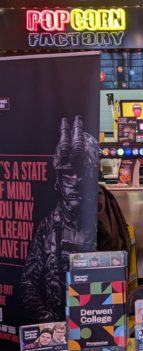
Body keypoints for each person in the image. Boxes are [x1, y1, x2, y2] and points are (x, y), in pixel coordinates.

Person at [20, 115, 99, 321]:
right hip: (55, 326)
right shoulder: (48, 226)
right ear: (58, 182)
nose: (76, 181)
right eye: (68, 175)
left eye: (82, 174)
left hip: (96, 322)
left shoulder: (103, 218)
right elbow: (28, 282)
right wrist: (48, 321)